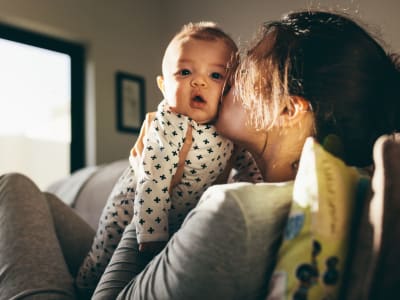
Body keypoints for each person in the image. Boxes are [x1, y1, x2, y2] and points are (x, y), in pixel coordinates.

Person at [1, 9, 400, 300]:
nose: (228, 76)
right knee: (44, 204)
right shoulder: (264, 184)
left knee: (11, 186)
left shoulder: (233, 215)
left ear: (289, 109)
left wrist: (151, 179)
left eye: (244, 68)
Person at [76, 21, 262, 297]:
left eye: (215, 75)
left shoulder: (227, 129)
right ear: (163, 86)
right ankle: (80, 286)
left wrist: (257, 190)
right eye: (185, 72)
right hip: (132, 213)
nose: (198, 81)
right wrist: (151, 234)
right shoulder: (169, 122)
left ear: (232, 86)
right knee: (100, 260)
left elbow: (247, 166)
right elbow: (154, 177)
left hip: (174, 221)